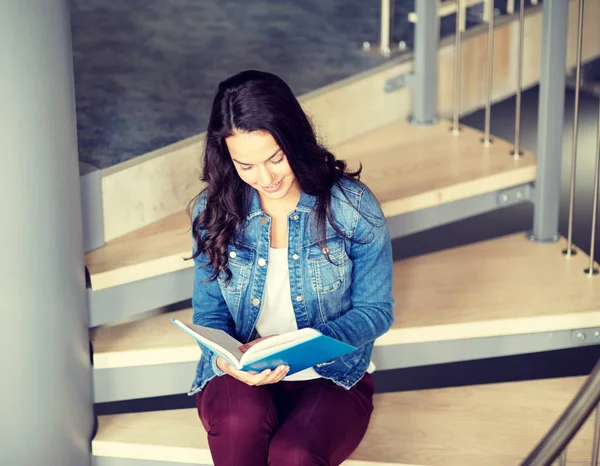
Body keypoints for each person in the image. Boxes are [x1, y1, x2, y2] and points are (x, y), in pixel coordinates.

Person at [187, 69, 394, 466]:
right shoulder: (212, 211)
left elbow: (376, 311)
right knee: (237, 423)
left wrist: (309, 342)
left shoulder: (351, 207)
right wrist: (226, 360)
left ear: (294, 139)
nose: (265, 179)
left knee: (294, 455)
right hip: (241, 377)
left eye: (275, 159)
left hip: (331, 375)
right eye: (245, 166)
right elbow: (209, 312)